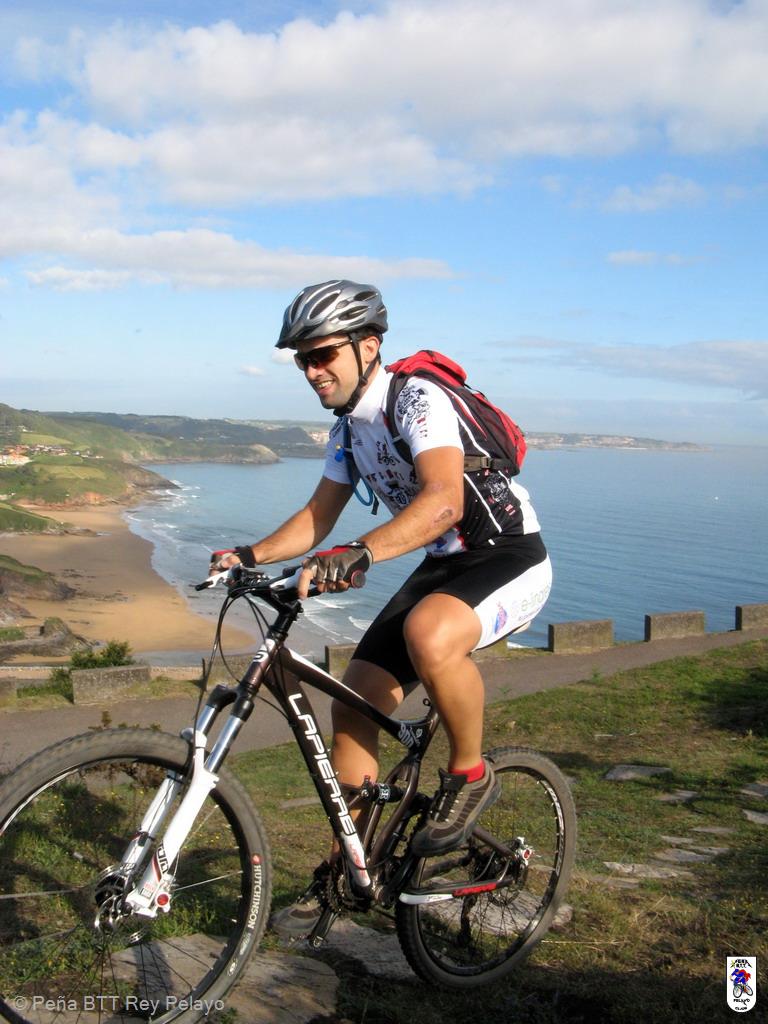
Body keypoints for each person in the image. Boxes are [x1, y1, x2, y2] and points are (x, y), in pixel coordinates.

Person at [211, 280, 552, 939]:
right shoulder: (348, 430)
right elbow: (317, 517)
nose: (312, 371)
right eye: (303, 360)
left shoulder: (416, 398)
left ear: (368, 347)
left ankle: (470, 774)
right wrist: (246, 554)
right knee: (355, 704)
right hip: (443, 568)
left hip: (508, 557)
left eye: (323, 354)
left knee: (430, 633)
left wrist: (362, 551)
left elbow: (445, 501)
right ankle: (351, 867)